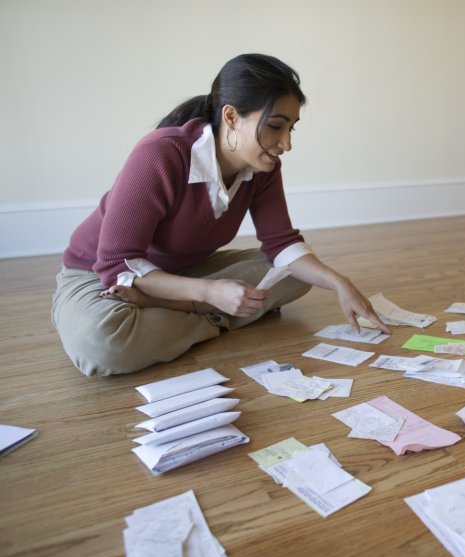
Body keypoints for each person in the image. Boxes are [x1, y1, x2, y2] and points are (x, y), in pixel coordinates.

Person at [52, 53, 390, 377]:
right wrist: (210, 294)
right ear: (231, 117)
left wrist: (338, 282)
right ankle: (212, 314)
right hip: (99, 275)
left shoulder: (264, 167)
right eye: (275, 126)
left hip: (182, 270)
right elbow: (118, 264)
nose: (285, 144)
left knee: (296, 273)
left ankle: (170, 306)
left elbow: (281, 241)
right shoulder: (161, 153)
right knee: (102, 343)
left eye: (292, 129)